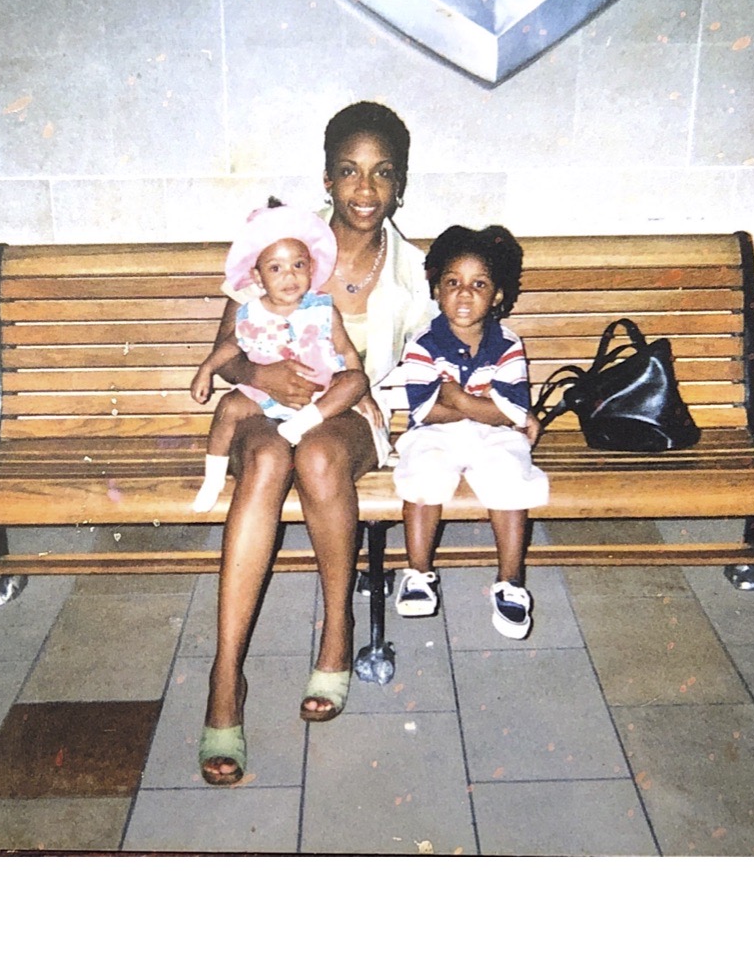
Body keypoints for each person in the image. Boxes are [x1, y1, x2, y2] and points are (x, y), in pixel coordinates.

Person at [192, 102, 434, 785]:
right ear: (327, 178)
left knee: (320, 453)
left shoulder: (415, 273)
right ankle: (225, 675)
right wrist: (255, 373)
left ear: (400, 183)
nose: (365, 188)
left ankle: (337, 633)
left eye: (382, 173)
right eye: (349, 171)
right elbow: (226, 349)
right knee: (269, 456)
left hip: (351, 415)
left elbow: (430, 364)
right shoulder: (284, 244)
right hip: (264, 407)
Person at [392, 224, 549, 640]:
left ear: (497, 295)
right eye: (453, 283)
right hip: (434, 433)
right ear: (436, 290)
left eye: (479, 284)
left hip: (495, 436)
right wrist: (487, 408)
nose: (464, 294)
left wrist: (459, 399)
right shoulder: (423, 343)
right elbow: (425, 411)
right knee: (424, 475)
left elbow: (512, 412)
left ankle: (510, 581)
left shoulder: (507, 344)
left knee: (509, 476)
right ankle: (418, 573)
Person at [188, 201, 369, 511]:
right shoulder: (251, 313)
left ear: (311, 268)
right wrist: (206, 369)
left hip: (319, 394)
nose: (289, 276)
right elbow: (231, 345)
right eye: (276, 268)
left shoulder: (323, 309)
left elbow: (347, 351)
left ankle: (299, 425)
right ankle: (213, 478)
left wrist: (361, 395)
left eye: (298, 265)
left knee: (356, 380)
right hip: (266, 395)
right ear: (258, 277)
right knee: (228, 406)